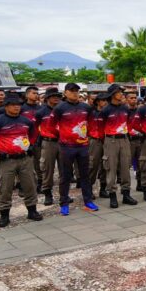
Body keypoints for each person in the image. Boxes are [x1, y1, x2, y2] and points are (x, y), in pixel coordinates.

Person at [0, 93, 43, 228]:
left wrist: (30, 145)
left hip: (25, 158)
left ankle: (32, 211)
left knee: (30, 185)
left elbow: (34, 134)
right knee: (5, 187)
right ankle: (4, 215)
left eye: (18, 105)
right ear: (6, 106)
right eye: (13, 105)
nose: (16, 107)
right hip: (7, 160)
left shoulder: (26, 121)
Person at [52, 82, 99, 215]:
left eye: (76, 91)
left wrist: (87, 136)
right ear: (65, 93)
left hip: (83, 146)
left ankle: (88, 200)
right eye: (71, 91)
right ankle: (64, 203)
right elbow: (51, 126)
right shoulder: (59, 108)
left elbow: (91, 123)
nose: (74, 93)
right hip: (66, 147)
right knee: (65, 176)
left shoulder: (86, 107)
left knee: (85, 175)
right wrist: (62, 137)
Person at [99, 84, 138, 208]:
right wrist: (105, 141)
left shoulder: (125, 108)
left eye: (122, 92)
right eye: (119, 92)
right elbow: (100, 128)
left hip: (125, 139)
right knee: (111, 168)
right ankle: (112, 195)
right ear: (112, 95)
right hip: (111, 140)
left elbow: (129, 123)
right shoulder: (105, 110)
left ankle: (126, 194)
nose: (122, 94)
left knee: (126, 167)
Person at [36, 88, 63, 206]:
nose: (56, 98)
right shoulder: (40, 112)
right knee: (47, 169)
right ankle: (47, 194)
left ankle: (64, 195)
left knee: (64, 169)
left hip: (63, 142)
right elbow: (34, 128)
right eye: (53, 96)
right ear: (47, 98)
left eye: (57, 96)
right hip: (48, 142)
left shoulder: (63, 110)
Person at [87, 93, 108, 200]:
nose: (105, 102)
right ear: (98, 102)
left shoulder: (108, 113)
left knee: (105, 165)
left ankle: (103, 189)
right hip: (94, 141)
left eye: (106, 100)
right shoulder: (91, 113)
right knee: (92, 165)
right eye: (103, 100)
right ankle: (89, 190)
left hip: (107, 141)